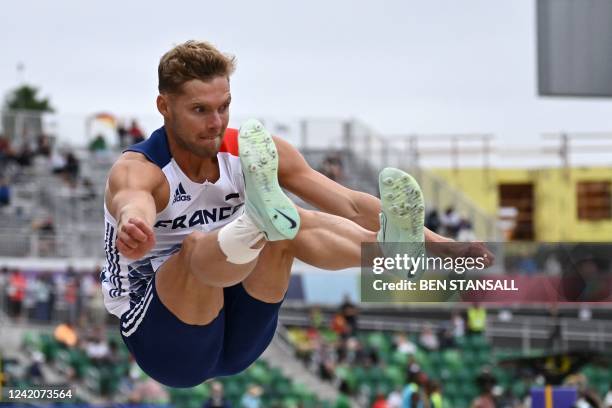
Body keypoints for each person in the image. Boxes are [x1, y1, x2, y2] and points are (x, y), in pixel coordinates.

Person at [101, 40, 493, 388]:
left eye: (224, 107)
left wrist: (443, 247)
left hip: (241, 336)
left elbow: (349, 203)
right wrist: (135, 223)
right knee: (195, 247)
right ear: (164, 107)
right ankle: (256, 222)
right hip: (165, 342)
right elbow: (132, 201)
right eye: (200, 110)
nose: (216, 122)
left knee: (289, 223)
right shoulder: (142, 168)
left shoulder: (251, 151)